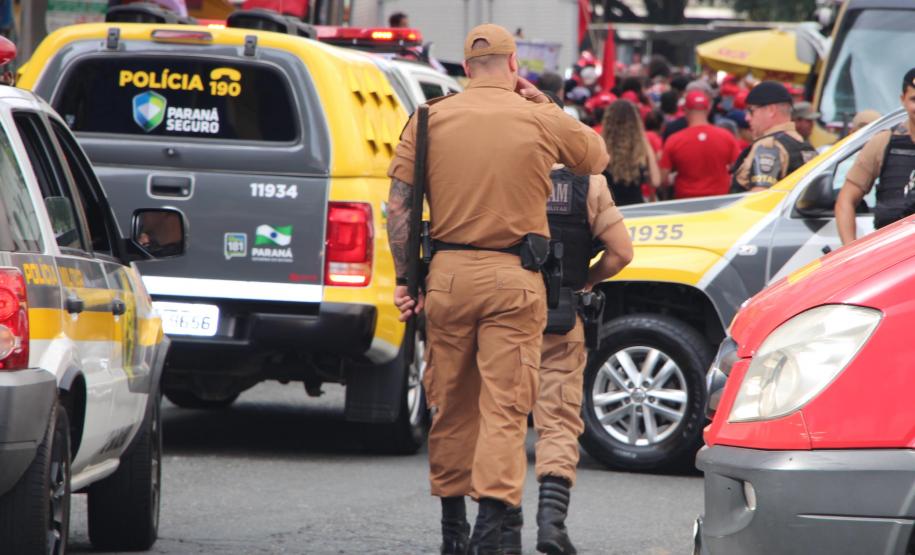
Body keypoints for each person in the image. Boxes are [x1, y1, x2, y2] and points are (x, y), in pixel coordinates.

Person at [385, 24, 608, 555]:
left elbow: (398, 207)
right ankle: (490, 530)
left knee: (452, 404)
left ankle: (451, 530)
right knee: (507, 410)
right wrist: (544, 103)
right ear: (514, 67)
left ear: (465, 69)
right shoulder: (536, 117)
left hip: (448, 276)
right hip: (515, 280)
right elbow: (594, 158)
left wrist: (405, 281)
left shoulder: (430, 118)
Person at [500, 163, 633, 555]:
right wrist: (587, 281)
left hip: (505, 315)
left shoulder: (504, 171)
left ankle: (505, 528)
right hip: (562, 313)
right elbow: (621, 251)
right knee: (558, 421)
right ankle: (551, 525)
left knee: (502, 417)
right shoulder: (588, 184)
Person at [835, 68, 915, 244]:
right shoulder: (884, 142)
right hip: (890, 250)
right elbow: (846, 199)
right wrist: (850, 251)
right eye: (914, 100)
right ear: (902, 100)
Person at [731, 81, 817, 192]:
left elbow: (758, 199)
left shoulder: (768, 146)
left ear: (771, 110)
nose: (747, 118)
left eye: (751, 111)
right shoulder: (804, 146)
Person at [660, 90, 740, 199]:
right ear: (708, 110)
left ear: (685, 110)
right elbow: (740, 170)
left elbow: (663, 179)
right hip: (719, 201)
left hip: (686, 202)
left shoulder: (674, 140)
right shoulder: (726, 136)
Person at [601, 100, 661, 205]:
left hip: (611, 209)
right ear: (635, 122)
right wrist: (645, 143)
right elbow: (656, 181)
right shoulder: (640, 147)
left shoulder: (602, 146)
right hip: (636, 207)